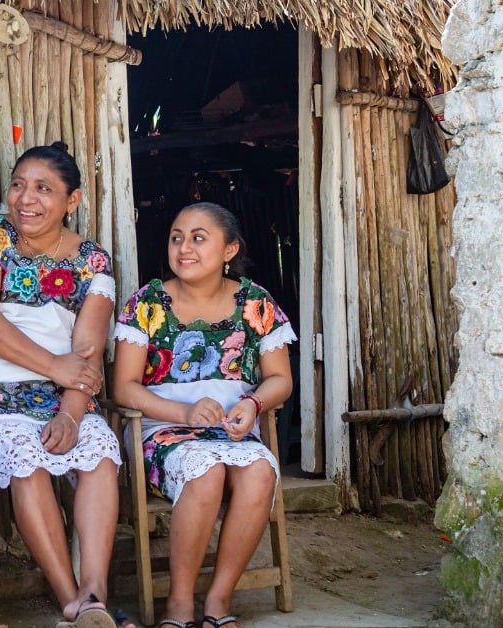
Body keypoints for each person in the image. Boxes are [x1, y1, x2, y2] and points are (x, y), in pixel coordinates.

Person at [0, 142, 132, 628]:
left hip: (61, 390)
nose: (25, 199)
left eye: (43, 189)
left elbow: (87, 352)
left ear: (73, 201)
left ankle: (95, 593)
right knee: (25, 457)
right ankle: (72, 601)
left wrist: (71, 412)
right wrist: (55, 366)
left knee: (100, 450)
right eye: (19, 185)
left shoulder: (92, 261)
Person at [110, 202, 296, 628]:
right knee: (206, 472)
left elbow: (279, 379)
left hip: (230, 430)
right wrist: (185, 412)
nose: (184, 247)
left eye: (198, 238)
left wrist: (252, 404)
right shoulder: (148, 303)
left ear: (230, 249)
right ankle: (178, 603)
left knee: (259, 472)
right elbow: (124, 387)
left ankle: (218, 601)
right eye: (177, 237)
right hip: (161, 428)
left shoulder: (255, 302)